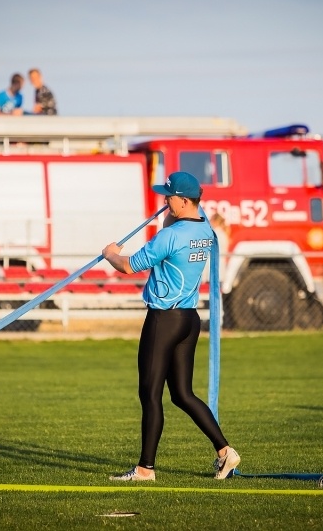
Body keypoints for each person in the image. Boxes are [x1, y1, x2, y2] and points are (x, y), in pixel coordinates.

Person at [101, 171, 240, 481]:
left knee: (150, 394)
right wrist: (172, 212)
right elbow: (174, 223)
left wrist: (110, 254)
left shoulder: (170, 237)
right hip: (188, 320)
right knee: (182, 394)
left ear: (184, 200)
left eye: (169, 197)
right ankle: (225, 452)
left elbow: (128, 266)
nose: (165, 201)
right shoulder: (204, 227)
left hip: (163, 320)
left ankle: (145, 469)